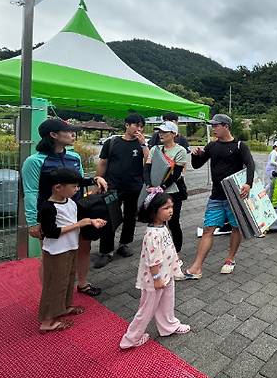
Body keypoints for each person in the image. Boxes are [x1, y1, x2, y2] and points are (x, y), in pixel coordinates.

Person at [22, 118, 108, 297]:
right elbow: (30, 192)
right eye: (68, 131)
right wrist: (32, 222)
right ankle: (49, 296)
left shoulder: (74, 156)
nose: (73, 134)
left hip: (76, 210)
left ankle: (82, 284)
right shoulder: (34, 161)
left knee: (84, 247)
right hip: (51, 215)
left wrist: (95, 179)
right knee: (50, 255)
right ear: (53, 135)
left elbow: (78, 182)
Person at [38, 168, 107, 333]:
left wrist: (91, 221)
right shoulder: (48, 207)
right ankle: (47, 321)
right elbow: (51, 232)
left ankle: (64, 307)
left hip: (70, 247)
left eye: (78, 186)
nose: (77, 189)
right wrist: (80, 224)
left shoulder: (70, 202)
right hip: (56, 252)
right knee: (55, 284)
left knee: (68, 279)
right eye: (74, 186)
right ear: (58, 187)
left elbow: (74, 219)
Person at [185, 114, 255, 277]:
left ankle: (230, 259)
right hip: (216, 196)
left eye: (216, 126)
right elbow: (197, 165)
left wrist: (248, 183)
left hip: (234, 196)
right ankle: (196, 267)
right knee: (208, 229)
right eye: (213, 126)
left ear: (226, 126)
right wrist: (196, 155)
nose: (213, 128)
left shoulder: (239, 146)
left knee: (236, 228)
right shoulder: (212, 146)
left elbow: (250, 164)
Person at [119, 191, 190, 349]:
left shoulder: (162, 227)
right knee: (147, 309)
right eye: (166, 208)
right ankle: (131, 339)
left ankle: (169, 325)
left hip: (166, 273)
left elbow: (167, 250)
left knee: (167, 301)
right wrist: (157, 278)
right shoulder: (152, 234)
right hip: (155, 278)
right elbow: (153, 260)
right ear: (154, 211)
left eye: (171, 206)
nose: (171, 210)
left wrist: (173, 267)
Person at [94, 113, 149, 268]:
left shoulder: (141, 144)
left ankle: (124, 244)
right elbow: (103, 162)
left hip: (134, 187)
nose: (139, 129)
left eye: (141, 126)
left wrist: (144, 145)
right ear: (127, 125)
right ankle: (106, 251)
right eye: (136, 125)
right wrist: (98, 179)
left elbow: (148, 162)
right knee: (109, 217)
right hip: (112, 187)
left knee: (130, 217)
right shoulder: (112, 142)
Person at [146, 121, 188, 254]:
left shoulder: (180, 150)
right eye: (160, 131)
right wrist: (150, 185)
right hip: (155, 192)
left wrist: (162, 187)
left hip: (172, 192)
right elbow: (147, 168)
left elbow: (176, 174)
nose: (160, 134)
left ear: (174, 134)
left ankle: (176, 251)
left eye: (164, 132)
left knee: (173, 222)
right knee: (157, 222)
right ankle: (160, 250)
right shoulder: (155, 149)